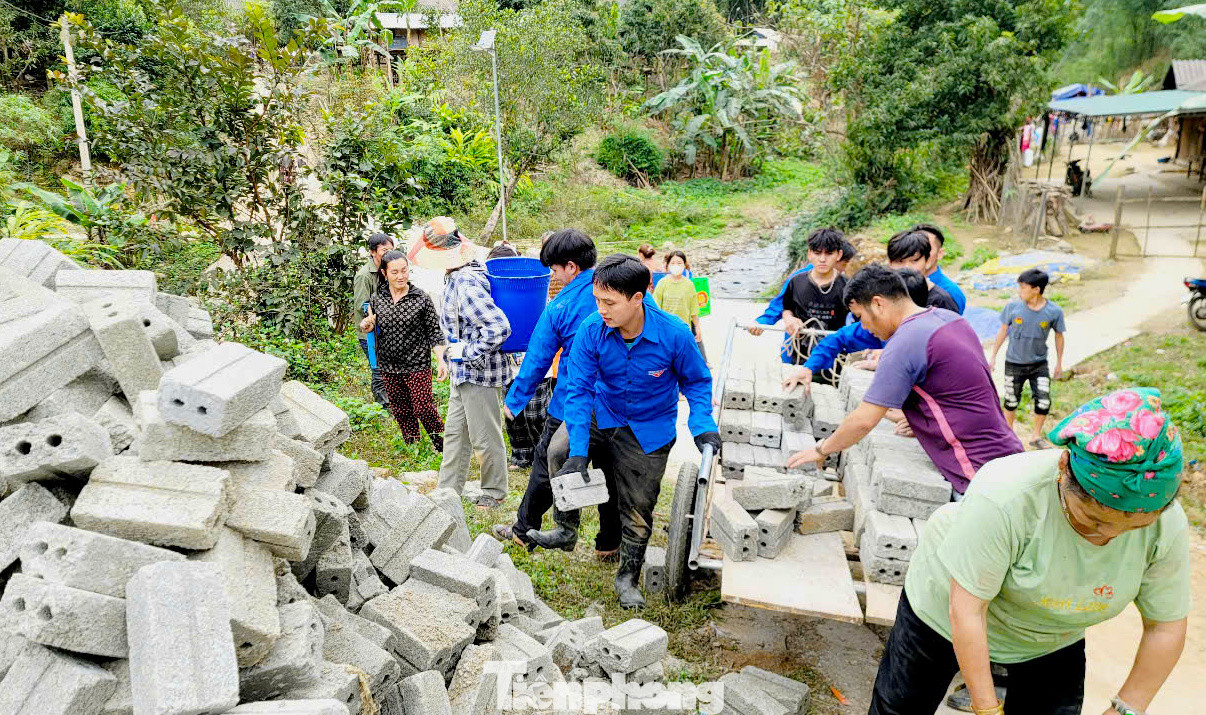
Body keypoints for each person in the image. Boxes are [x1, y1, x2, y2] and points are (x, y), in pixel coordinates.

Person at [869, 387, 1189, 715]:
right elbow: (967, 611)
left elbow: (1165, 627)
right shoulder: (1006, 496)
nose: (1109, 536)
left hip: (1051, 636)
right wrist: (986, 707)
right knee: (900, 708)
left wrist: (1125, 709)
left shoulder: (1166, 524)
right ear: (1064, 468)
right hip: (945, 612)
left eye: (1134, 527)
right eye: (1093, 520)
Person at [529, 254, 720, 608]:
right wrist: (579, 451)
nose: (601, 309)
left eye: (609, 302)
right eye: (598, 300)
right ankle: (567, 527)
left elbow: (697, 382)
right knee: (558, 451)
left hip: (648, 428)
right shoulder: (592, 329)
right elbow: (580, 389)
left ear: (638, 298)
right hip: (603, 413)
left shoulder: (674, 334)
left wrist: (703, 426)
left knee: (638, 507)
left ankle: (627, 576)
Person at [786, 264, 1023, 496]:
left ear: (878, 303)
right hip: (1008, 455)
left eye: (860, 317)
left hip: (977, 473)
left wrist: (821, 450)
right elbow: (957, 391)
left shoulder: (904, 343)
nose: (864, 328)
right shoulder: (949, 319)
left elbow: (864, 421)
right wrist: (921, 418)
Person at [493, 229, 622, 558]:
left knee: (547, 460)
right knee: (608, 466)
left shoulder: (561, 305)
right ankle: (609, 544)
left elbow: (537, 358)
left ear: (571, 267)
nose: (552, 275)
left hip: (572, 399)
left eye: (554, 269)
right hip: (617, 400)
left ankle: (527, 531)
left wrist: (515, 400)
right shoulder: (620, 289)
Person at [411, 217, 514, 509]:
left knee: (485, 436)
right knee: (455, 436)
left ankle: (494, 491)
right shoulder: (457, 274)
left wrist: (465, 351)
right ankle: (447, 491)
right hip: (462, 374)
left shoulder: (466, 281)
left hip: (479, 373)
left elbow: (498, 328)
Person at [782, 267, 929, 394]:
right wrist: (807, 368)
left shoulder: (930, 338)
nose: (862, 324)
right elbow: (835, 340)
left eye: (860, 316)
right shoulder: (866, 330)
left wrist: (892, 358)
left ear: (879, 304)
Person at [360, 251, 446, 450]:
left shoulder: (421, 298)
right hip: (389, 365)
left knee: (423, 408)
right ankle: (412, 446)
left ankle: (443, 446)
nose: (401, 276)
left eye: (404, 271)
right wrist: (368, 326)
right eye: (395, 272)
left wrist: (441, 360)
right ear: (384, 273)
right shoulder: (377, 298)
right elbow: (372, 324)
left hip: (417, 364)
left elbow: (434, 331)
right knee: (401, 410)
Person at [487, 243, 552, 471]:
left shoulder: (534, 292)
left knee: (535, 412)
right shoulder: (492, 293)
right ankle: (521, 456)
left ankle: (542, 456)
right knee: (513, 413)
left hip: (534, 361)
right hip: (507, 361)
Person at [991, 268, 1067, 449]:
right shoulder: (1012, 308)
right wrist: (993, 356)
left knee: (1043, 400)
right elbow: (1003, 330)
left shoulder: (1053, 312)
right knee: (1010, 400)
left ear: (1036, 289)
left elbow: (1059, 335)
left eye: (1023, 288)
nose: (1019, 291)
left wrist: (1059, 362)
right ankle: (1008, 434)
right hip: (1013, 363)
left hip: (1039, 364)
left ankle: (1035, 436)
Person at [774, 227, 850, 364]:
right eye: (817, 253)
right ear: (809, 254)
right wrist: (790, 320)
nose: (822, 259)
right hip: (799, 358)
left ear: (838, 255)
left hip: (834, 360)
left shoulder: (848, 287)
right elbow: (787, 309)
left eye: (829, 254)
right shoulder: (795, 282)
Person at [353, 232, 395, 406]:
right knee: (378, 369)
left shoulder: (387, 271)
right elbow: (362, 306)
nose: (389, 254)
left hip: (386, 330)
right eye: (384, 250)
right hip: (369, 332)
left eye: (391, 250)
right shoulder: (364, 275)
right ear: (372, 252)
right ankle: (383, 407)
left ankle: (391, 401)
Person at [652, 250, 707, 361]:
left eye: (679, 263)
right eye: (673, 263)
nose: (676, 266)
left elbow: (693, 309)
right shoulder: (662, 284)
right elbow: (655, 309)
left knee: (684, 361)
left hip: (684, 330)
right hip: (666, 330)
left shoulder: (689, 285)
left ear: (685, 265)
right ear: (667, 266)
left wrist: (697, 327)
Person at [886, 231, 960, 312]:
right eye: (900, 261)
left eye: (914, 261)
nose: (906, 267)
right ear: (889, 263)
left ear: (927, 261)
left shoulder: (941, 301)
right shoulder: (882, 296)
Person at [910, 223, 967, 313]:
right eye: (915, 249)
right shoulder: (901, 285)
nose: (920, 254)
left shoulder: (951, 293)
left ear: (940, 253)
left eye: (927, 249)